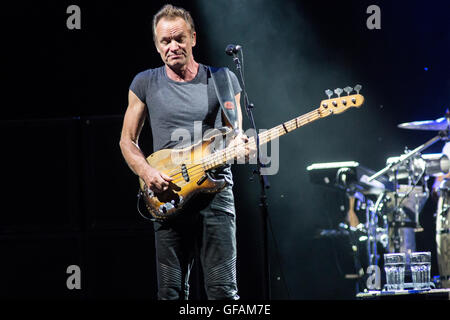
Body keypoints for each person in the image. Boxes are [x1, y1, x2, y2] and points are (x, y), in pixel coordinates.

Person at [119, 4, 249, 300]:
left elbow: (235, 133)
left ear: (193, 38)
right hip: (168, 195)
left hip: (215, 195)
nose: (173, 46)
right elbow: (127, 141)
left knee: (223, 292)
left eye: (179, 39)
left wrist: (242, 145)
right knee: (171, 293)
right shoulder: (144, 82)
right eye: (165, 41)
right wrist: (147, 172)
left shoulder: (223, 79)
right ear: (156, 45)